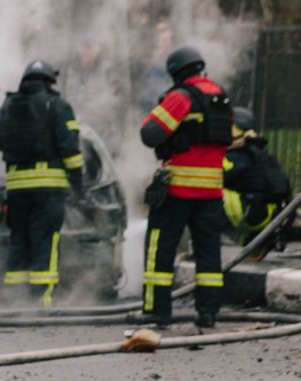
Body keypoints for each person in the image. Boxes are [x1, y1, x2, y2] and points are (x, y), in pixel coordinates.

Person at [139, 46, 232, 328]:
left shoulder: (181, 97)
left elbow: (150, 133)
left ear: (176, 72)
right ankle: (208, 312)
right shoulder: (220, 95)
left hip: (178, 189)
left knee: (160, 247)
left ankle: (158, 310)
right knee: (208, 253)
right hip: (211, 192)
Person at [0, 60, 82, 307]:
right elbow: (71, 151)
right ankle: (41, 301)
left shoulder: (8, 105)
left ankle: (15, 301)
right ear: (48, 81)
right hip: (48, 188)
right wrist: (79, 185)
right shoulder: (58, 105)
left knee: (19, 241)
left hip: (16, 188)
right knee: (45, 242)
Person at [222, 106, 293, 254]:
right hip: (269, 214)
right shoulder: (257, 152)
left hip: (253, 215)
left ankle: (208, 240)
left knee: (206, 189)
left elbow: (217, 176)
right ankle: (253, 239)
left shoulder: (236, 157)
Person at [63, 37, 125, 148]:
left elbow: (117, 99)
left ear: (97, 49)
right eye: (83, 47)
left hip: (102, 129)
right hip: (78, 126)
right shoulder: (72, 70)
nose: (85, 51)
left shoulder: (107, 69)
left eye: (89, 47)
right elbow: (69, 96)